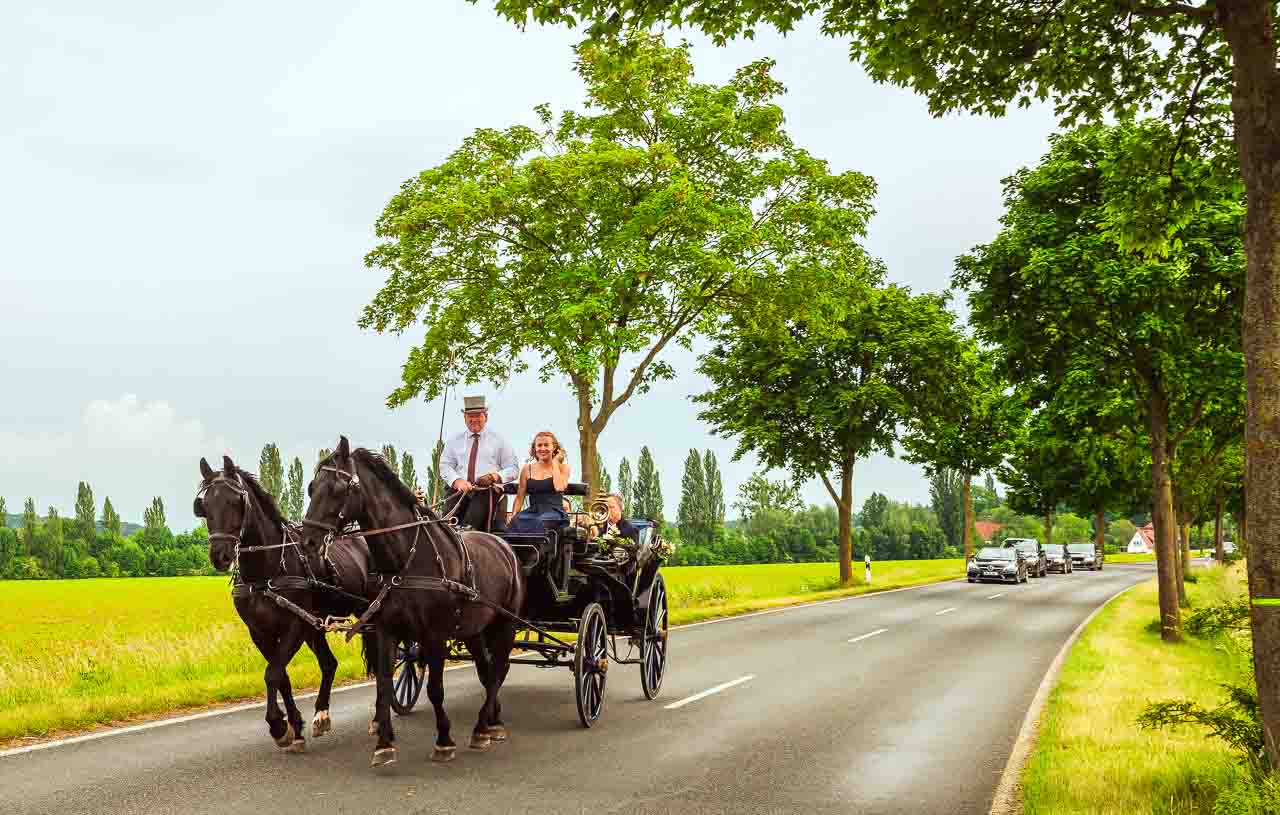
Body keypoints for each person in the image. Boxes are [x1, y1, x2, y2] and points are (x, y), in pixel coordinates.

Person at [429, 395, 520, 532]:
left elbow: (513, 468)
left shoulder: (499, 440)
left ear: (486, 416)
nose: (474, 420)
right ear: (464, 418)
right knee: (445, 527)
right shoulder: (454, 440)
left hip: (486, 491)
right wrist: (457, 481)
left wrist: (494, 477)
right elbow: (444, 465)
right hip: (459, 491)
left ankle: (468, 532)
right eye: (470, 416)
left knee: (469, 525)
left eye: (478, 415)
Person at [506, 431, 572, 533]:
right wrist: (513, 515)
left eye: (546, 445)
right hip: (533, 511)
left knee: (540, 522)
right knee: (516, 521)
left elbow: (559, 487)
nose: (542, 448)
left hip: (555, 512)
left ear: (554, 447)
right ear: (535, 448)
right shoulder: (527, 469)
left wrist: (555, 462)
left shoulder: (563, 468)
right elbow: (520, 497)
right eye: (539, 445)